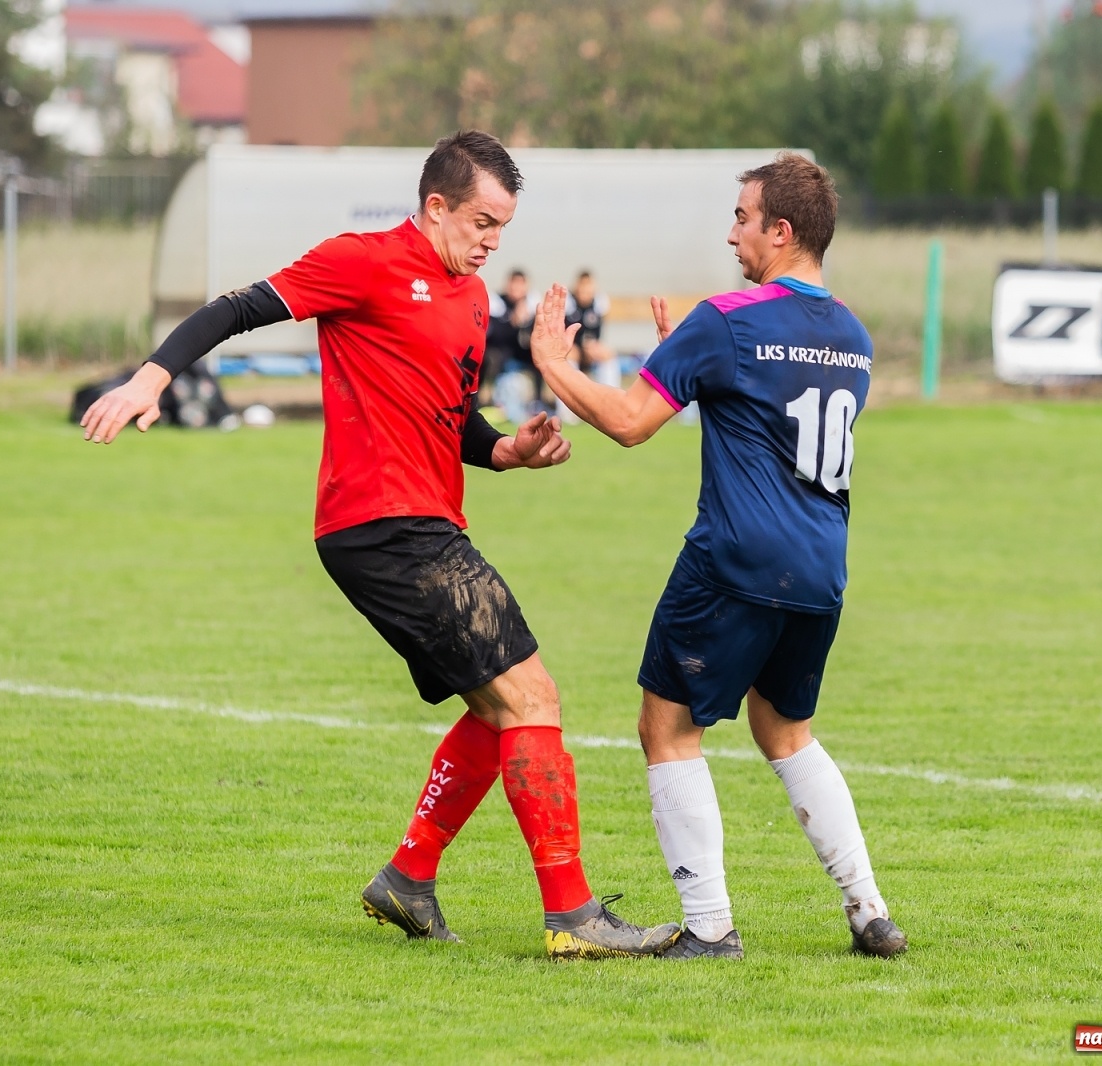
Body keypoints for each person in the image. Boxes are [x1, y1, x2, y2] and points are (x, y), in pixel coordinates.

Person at [79, 129, 679, 960]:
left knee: (498, 705)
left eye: (503, 226)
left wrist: (510, 449)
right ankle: (573, 917)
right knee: (534, 697)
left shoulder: (470, 300)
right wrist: (152, 375)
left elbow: (454, 419)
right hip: (383, 522)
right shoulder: (362, 260)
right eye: (480, 221)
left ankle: (408, 878)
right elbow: (237, 306)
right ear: (435, 206)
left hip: (423, 519)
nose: (492, 241)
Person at [527, 152, 907, 961]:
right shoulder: (853, 333)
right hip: (821, 568)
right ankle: (869, 909)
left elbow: (629, 422)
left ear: (781, 229)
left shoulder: (728, 320)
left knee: (665, 728)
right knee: (785, 728)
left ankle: (709, 928)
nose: (730, 232)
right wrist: (694, 368)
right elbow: (771, 430)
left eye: (742, 218)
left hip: (734, 560)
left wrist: (555, 368)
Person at [486, 269, 544, 422]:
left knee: (541, 357)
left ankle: (537, 402)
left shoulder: (533, 305)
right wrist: (513, 322)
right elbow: (493, 336)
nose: (517, 290)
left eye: (521, 285)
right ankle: (488, 402)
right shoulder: (496, 303)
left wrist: (528, 323)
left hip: (523, 355)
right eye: (514, 285)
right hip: (500, 355)